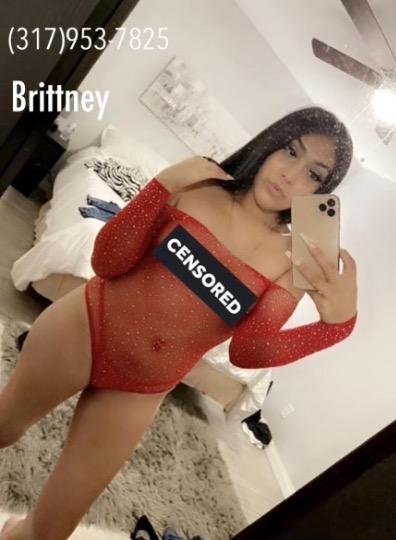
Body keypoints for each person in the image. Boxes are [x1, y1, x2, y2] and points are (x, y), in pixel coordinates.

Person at [0, 107, 357, 540]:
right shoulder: (197, 186)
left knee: (51, 530)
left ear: (322, 192)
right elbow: (106, 262)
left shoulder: (293, 258)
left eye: (314, 175)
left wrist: (334, 328)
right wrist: (162, 185)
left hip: (139, 388)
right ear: (270, 143)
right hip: (83, 329)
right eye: (290, 150)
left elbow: (248, 351)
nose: (291, 175)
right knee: (3, 427)